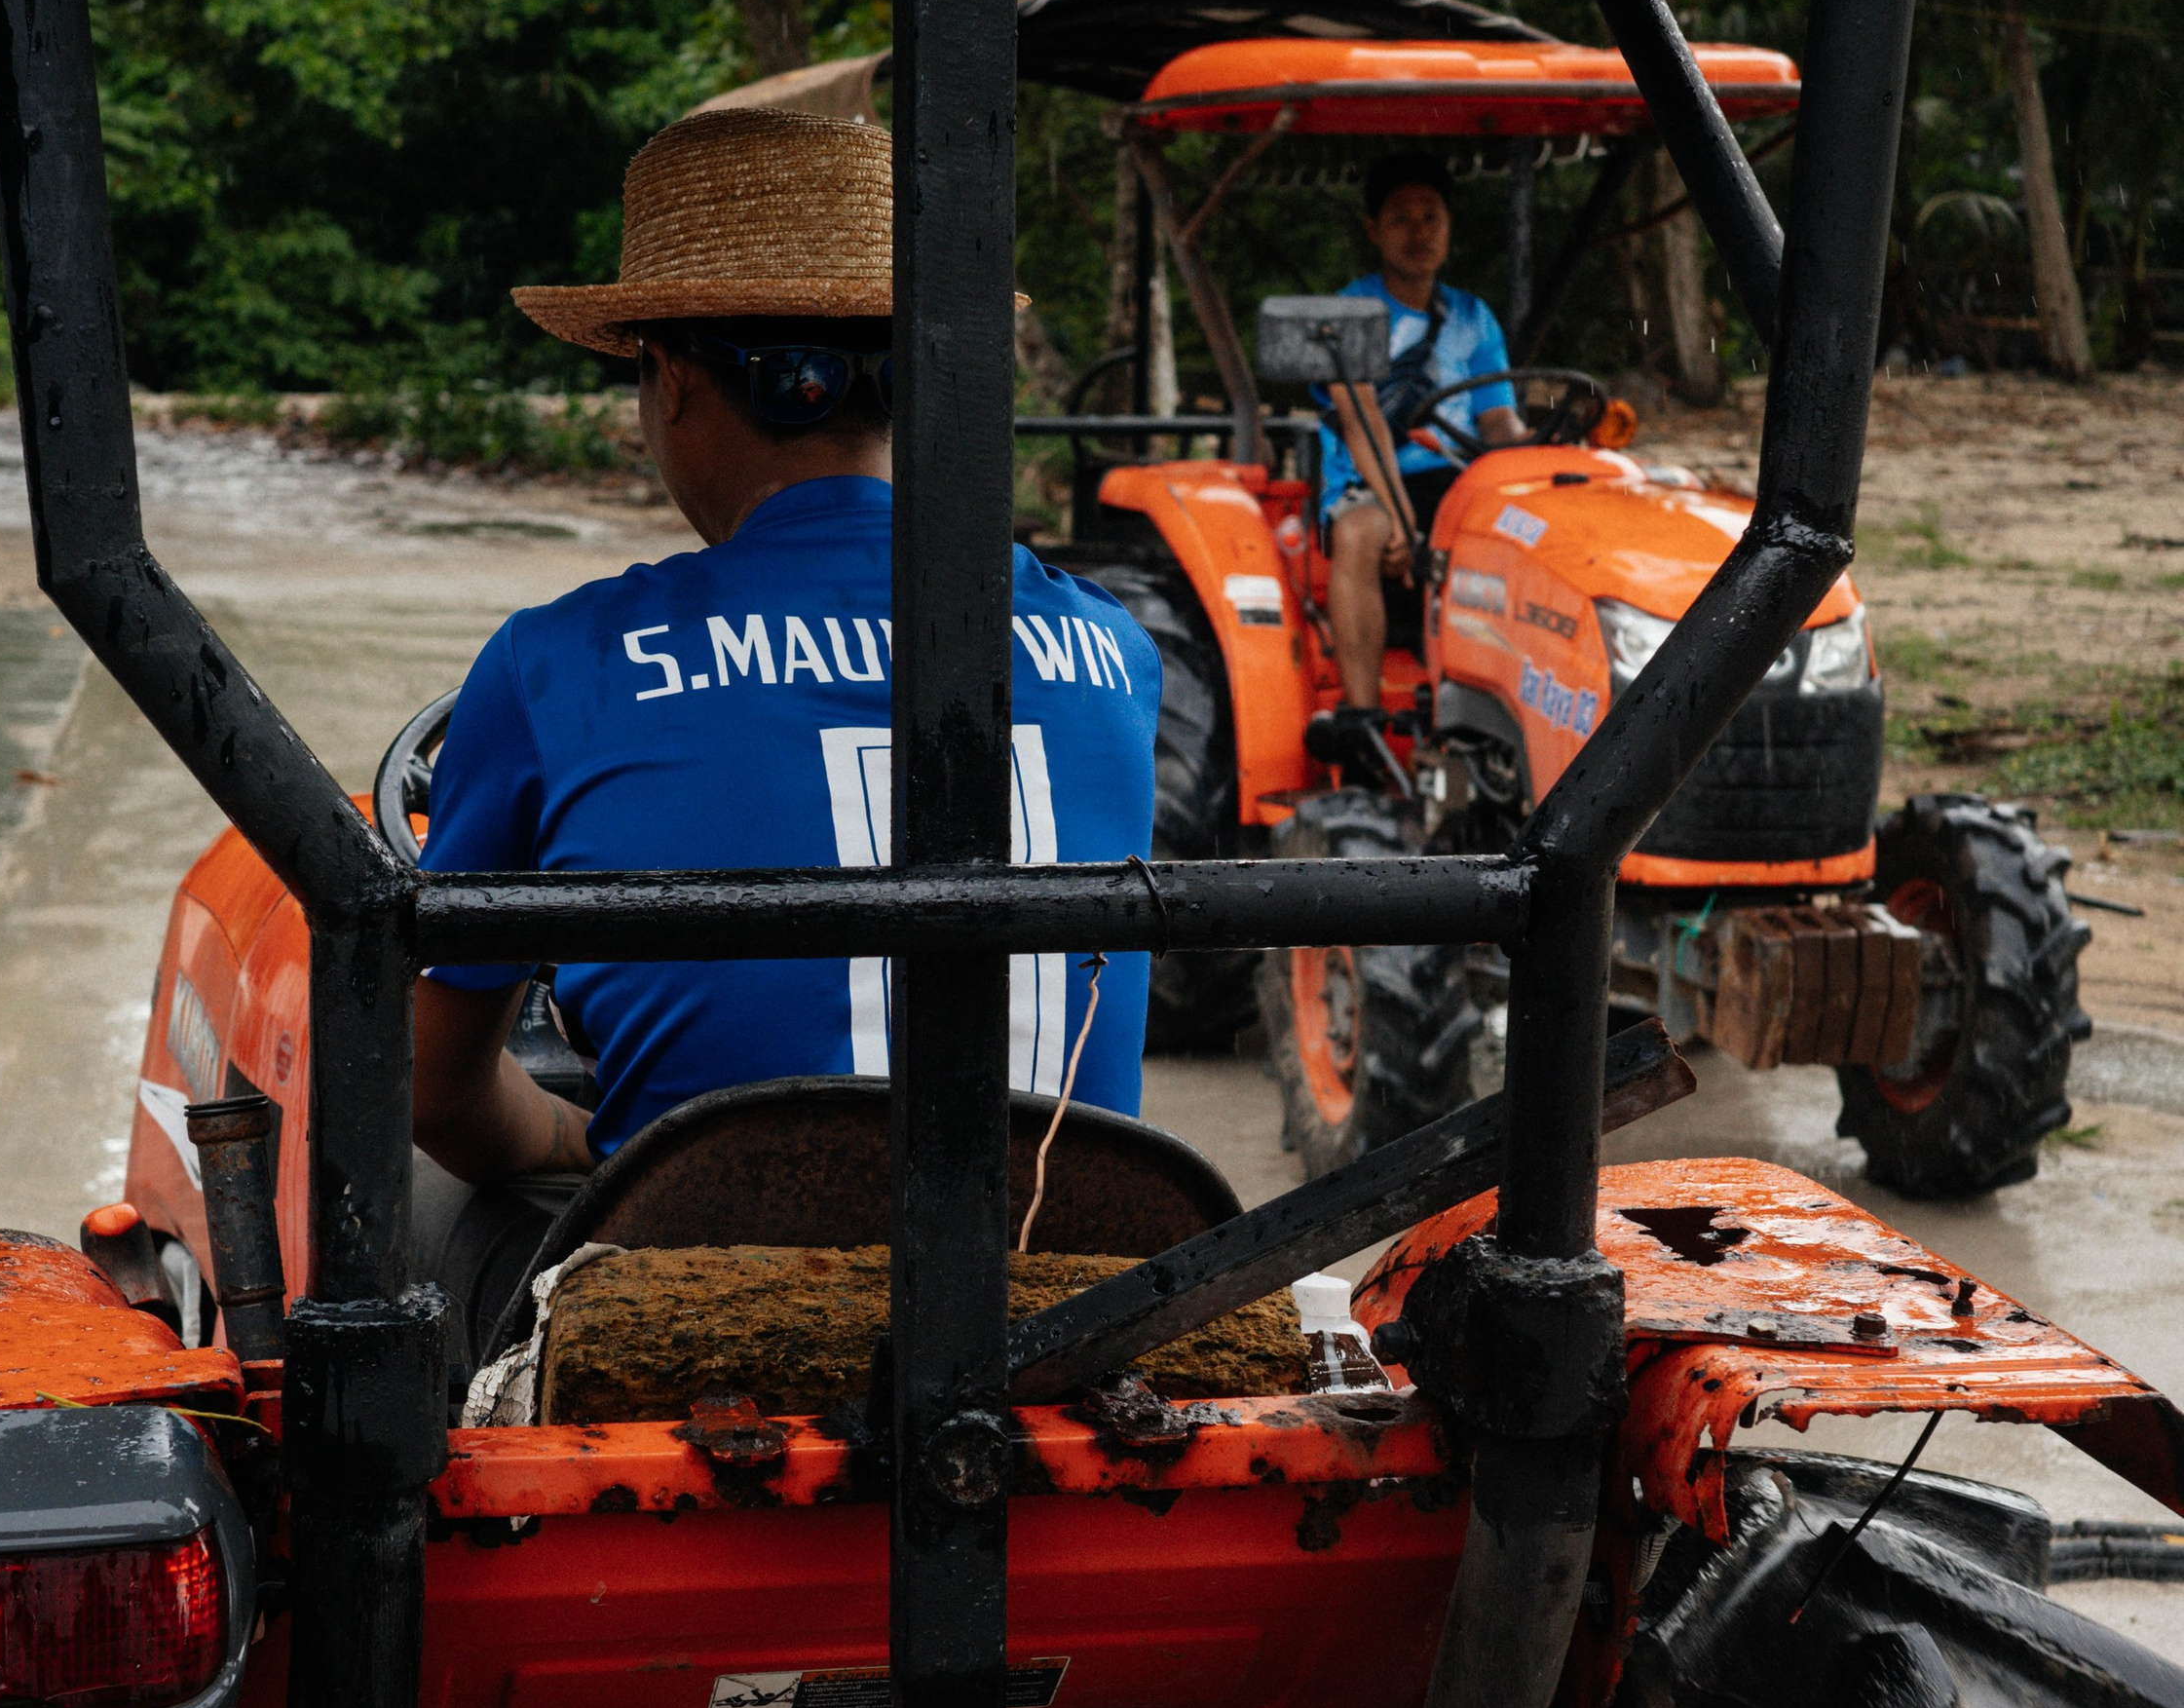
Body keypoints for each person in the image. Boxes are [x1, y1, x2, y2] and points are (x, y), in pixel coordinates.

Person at [413, 104, 1161, 1182]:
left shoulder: (552, 668)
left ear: (670, 375)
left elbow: (435, 1095)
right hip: (1071, 1281)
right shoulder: (1114, 657)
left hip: (701, 1289)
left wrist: (590, 1143)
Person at [1317, 147, 1529, 727]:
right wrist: (1404, 522)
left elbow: (1498, 424)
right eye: (1401, 219)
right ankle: (1361, 718)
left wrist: (1548, 445)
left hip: (1460, 483)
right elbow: (1360, 421)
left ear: (1449, 227)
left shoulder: (1472, 316)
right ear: (1374, 231)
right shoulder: (1352, 312)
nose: (1419, 232)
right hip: (1373, 479)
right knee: (1362, 534)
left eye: (1431, 217)